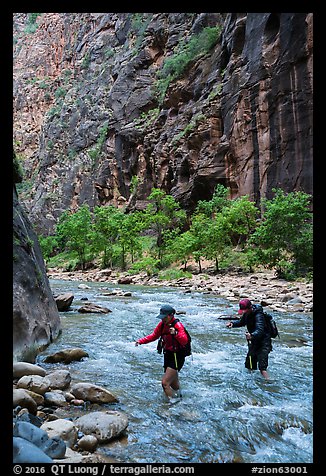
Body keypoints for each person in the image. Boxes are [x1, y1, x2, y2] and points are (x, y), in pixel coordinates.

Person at [135, 304, 189, 399]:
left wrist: (176, 333)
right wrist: (141, 341)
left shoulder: (178, 325)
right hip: (168, 354)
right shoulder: (162, 324)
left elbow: (185, 340)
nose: (162, 319)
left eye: (164, 317)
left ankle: (171, 405)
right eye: (161, 317)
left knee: (165, 383)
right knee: (173, 384)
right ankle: (181, 399)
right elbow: (154, 336)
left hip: (177, 355)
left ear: (171, 315)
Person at [226, 298, 272, 379]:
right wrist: (232, 324)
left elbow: (260, 329)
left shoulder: (259, 315)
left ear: (250, 307)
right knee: (249, 365)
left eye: (245, 310)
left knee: (262, 367)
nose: (244, 312)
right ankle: (251, 381)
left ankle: (269, 383)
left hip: (264, 342)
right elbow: (241, 322)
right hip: (254, 341)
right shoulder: (247, 313)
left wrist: (252, 335)